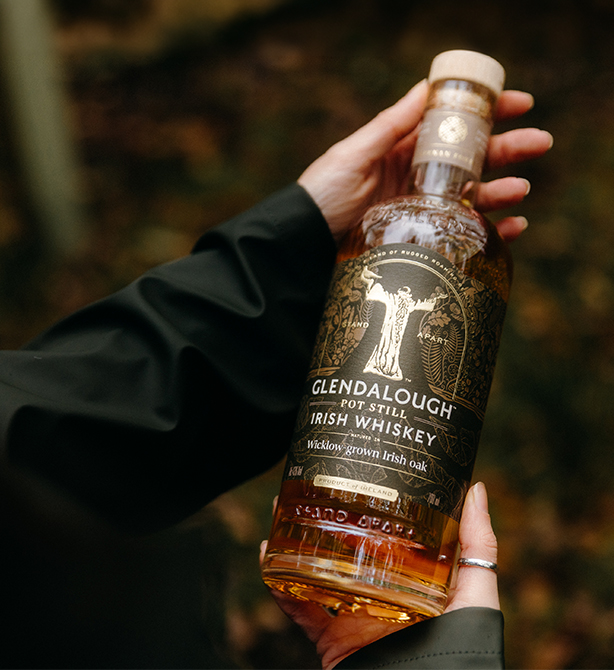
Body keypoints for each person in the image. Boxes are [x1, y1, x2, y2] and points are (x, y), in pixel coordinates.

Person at [0, 78, 552, 668]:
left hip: (398, 573)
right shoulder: (384, 224)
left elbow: (40, 423)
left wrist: (299, 239)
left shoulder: (454, 239)